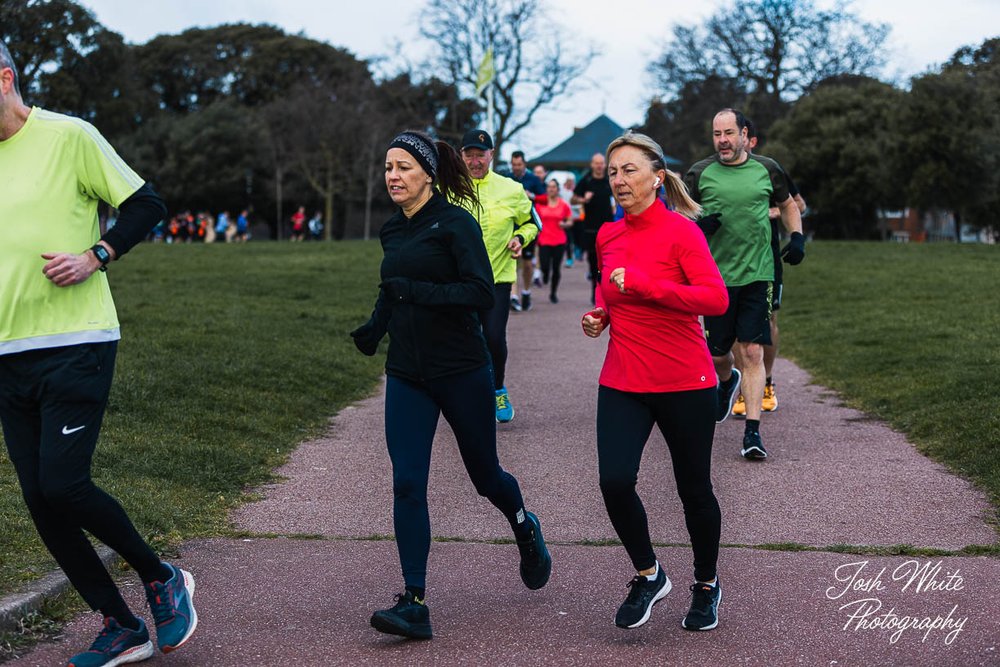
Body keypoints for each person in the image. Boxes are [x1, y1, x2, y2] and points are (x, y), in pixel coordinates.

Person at [0, 40, 197, 667]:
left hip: (77, 340)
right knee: (39, 499)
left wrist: (96, 256)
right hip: (7, 353)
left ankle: (160, 575)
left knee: (64, 482)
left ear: (4, 77)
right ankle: (119, 623)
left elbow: (147, 205)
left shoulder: (69, 137)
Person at [350, 129, 551, 640]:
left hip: (461, 369)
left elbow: (479, 292)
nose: (393, 176)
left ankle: (525, 525)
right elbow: (391, 288)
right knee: (407, 481)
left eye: (403, 168)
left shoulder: (456, 224)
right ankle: (414, 601)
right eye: (388, 167)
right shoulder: (393, 231)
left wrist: (413, 291)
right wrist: (376, 329)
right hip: (408, 374)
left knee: (486, 477)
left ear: (428, 174)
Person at [581, 131, 728, 632]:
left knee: (694, 489)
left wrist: (649, 287)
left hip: (685, 379)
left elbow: (715, 299)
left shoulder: (682, 232)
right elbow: (610, 293)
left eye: (630, 170)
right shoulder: (606, 235)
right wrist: (600, 314)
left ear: (657, 177)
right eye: (614, 171)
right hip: (623, 377)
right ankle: (649, 573)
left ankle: (706, 585)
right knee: (614, 480)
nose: (619, 180)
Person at [685, 108, 805, 460]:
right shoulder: (700, 173)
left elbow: (787, 204)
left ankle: (752, 432)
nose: (722, 140)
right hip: (714, 277)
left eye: (728, 133)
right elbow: (678, 213)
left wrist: (796, 237)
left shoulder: (767, 168)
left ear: (743, 134)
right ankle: (726, 382)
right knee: (719, 354)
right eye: (716, 134)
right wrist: (696, 228)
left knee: (751, 350)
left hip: (758, 273)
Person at [459, 130, 540, 423]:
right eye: (469, 154)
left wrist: (520, 236)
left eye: (481, 154)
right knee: (466, 341)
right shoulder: (450, 189)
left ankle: (497, 389)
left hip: (498, 277)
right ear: (461, 156)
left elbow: (533, 223)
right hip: (461, 281)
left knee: (493, 337)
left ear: (492, 155)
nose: (475, 160)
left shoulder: (511, 189)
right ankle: (465, 395)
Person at [732, 120, 807, 417]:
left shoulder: (770, 169)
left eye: (740, 137)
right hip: (732, 259)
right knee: (738, 329)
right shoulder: (721, 173)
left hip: (767, 256)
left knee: (769, 320)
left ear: (751, 140)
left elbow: (798, 205)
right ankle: (744, 383)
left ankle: (767, 381)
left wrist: (771, 212)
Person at [572, 153, 615, 304]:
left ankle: (606, 292)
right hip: (591, 229)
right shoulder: (586, 180)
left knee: (607, 262)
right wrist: (583, 199)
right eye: (596, 163)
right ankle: (594, 291)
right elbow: (573, 198)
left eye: (601, 163)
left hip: (608, 227)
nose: (599, 166)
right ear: (592, 164)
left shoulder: (610, 180)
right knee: (593, 263)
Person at [507, 150, 546, 311]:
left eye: (519, 165)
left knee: (528, 264)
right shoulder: (506, 179)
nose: (516, 168)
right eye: (514, 164)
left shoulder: (533, 179)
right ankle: (513, 297)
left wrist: (532, 196)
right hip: (510, 224)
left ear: (524, 164)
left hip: (528, 225)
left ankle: (526, 291)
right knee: (512, 262)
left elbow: (545, 198)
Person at [534, 179, 572, 303]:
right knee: (544, 265)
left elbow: (570, 221)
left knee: (556, 268)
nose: (551, 189)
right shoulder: (540, 205)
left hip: (559, 240)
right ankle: (545, 274)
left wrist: (564, 224)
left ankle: (553, 293)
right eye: (549, 187)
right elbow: (535, 221)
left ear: (557, 189)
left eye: (554, 187)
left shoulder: (563, 204)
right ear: (547, 189)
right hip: (544, 240)